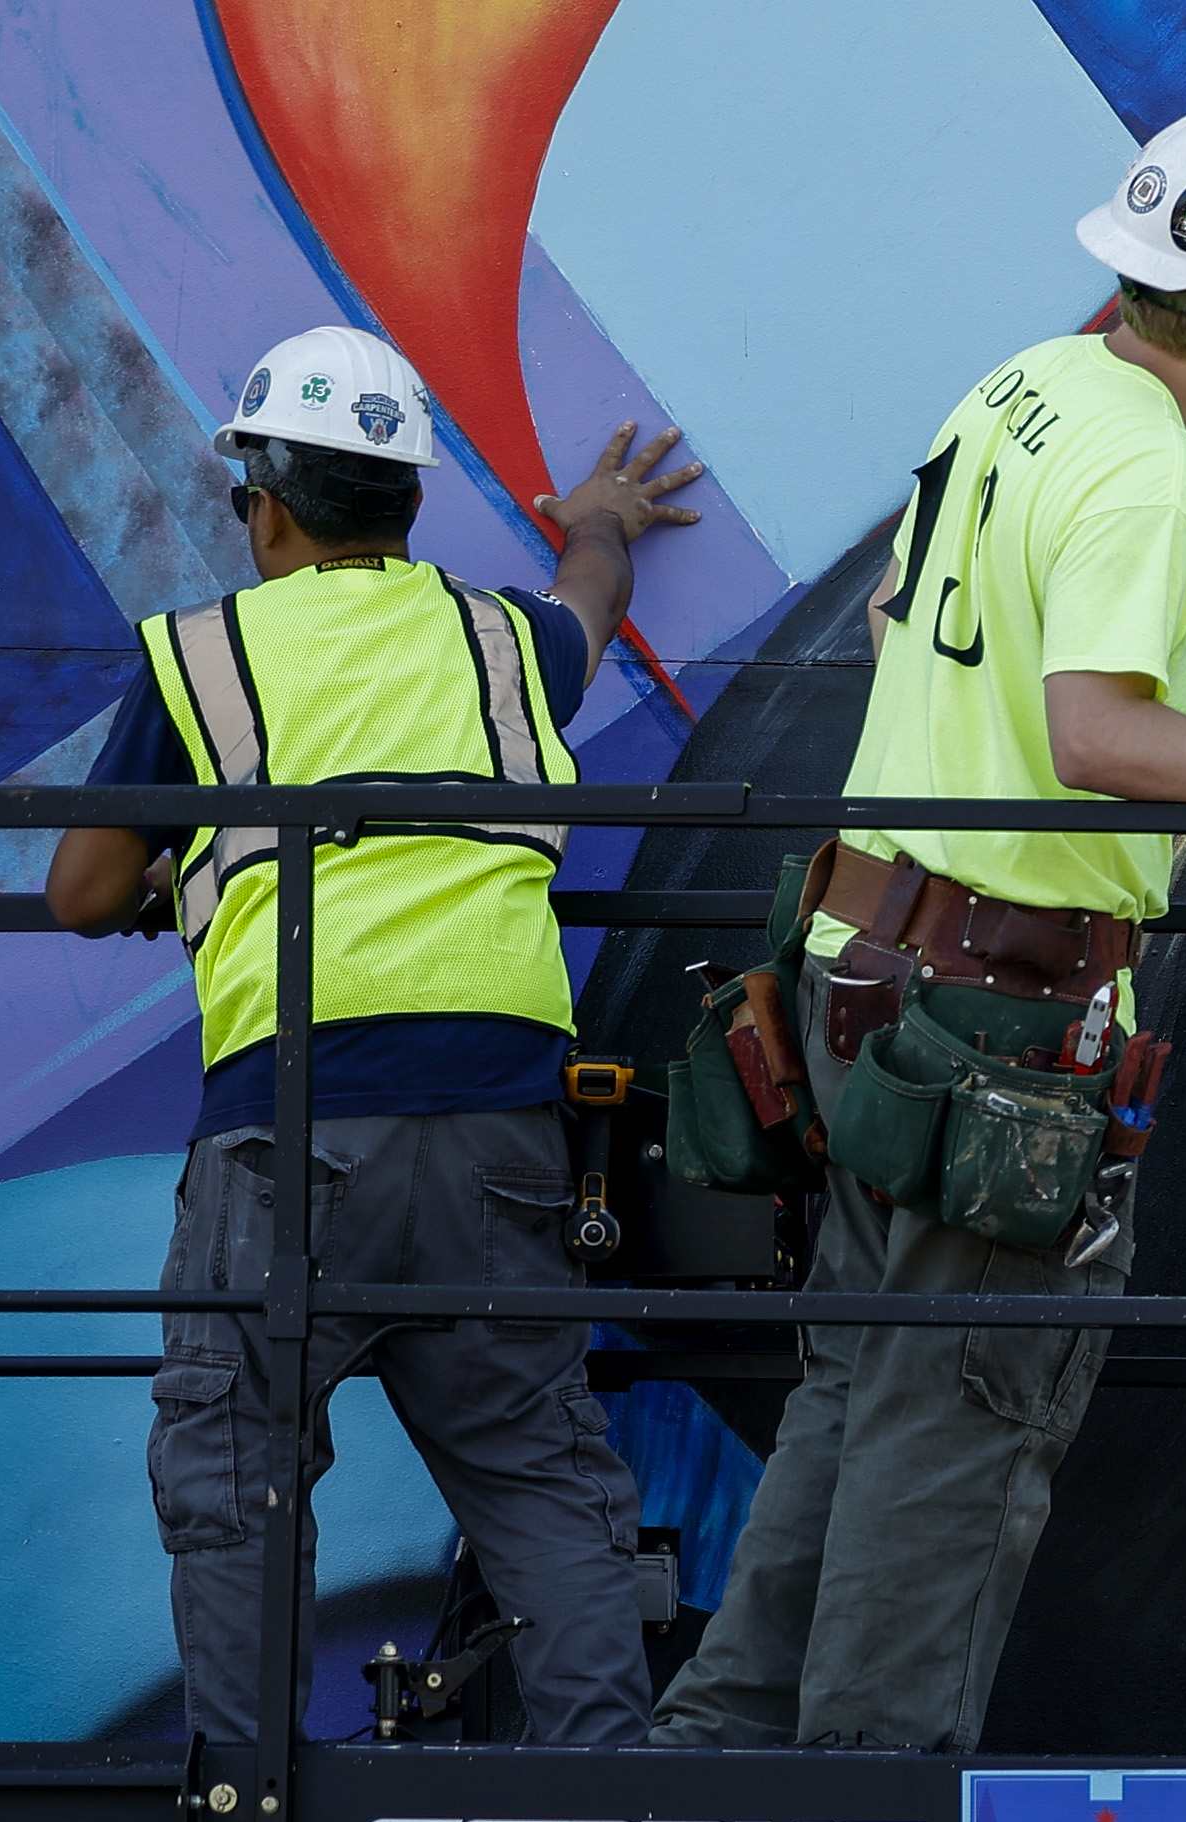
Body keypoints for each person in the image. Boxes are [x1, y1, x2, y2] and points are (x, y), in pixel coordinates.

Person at [647, 102, 1186, 1754]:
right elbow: (1096, 739)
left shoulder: (1023, 390)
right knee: (956, 1437)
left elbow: (895, 606)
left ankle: (714, 1768)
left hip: (859, 979)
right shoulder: (1153, 476)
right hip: (988, 1023)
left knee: (855, 1402)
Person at [44, 324, 705, 1749]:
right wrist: (599, 522)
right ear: (406, 505)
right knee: (540, 1484)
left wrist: (184, 877)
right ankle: (611, 1808)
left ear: (265, 507)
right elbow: (586, 594)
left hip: (288, 1135)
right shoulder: (502, 642)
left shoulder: (204, 658)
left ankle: (249, 1814)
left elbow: (82, 889)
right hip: (505, 1137)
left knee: (236, 1471)